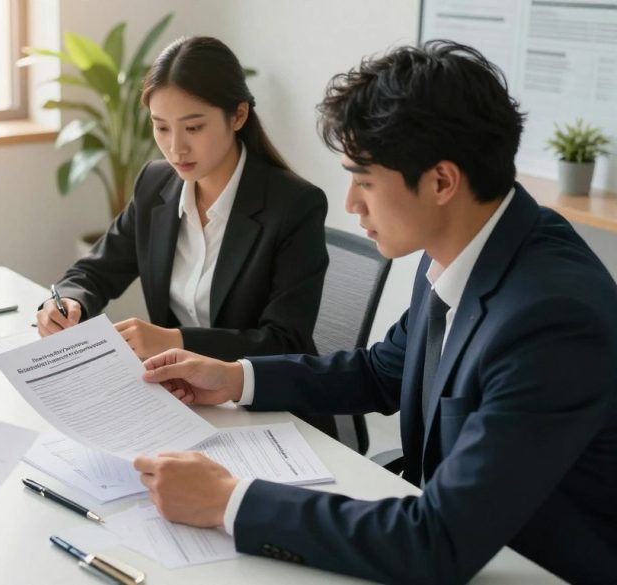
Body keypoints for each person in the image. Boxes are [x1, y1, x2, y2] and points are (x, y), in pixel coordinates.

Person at [132, 41, 617, 584]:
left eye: (364, 180)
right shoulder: (466, 245)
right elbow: (382, 370)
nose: (350, 204)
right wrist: (233, 378)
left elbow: (436, 542)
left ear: (441, 181)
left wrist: (227, 501)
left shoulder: (551, 321)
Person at [37, 36, 329, 364]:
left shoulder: (295, 206)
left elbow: (284, 342)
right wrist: (67, 302)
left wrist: (175, 340)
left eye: (193, 127)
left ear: (238, 116)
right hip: (183, 395)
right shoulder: (154, 185)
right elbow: (95, 272)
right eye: (161, 128)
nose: (176, 148)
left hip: (264, 402)